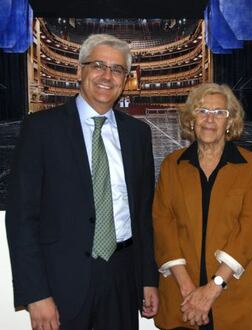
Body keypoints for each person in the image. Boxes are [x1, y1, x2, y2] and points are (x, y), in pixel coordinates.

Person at [6, 34, 159, 330]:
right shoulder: (41, 129)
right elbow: (21, 218)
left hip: (122, 278)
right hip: (60, 281)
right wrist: (35, 294)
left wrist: (148, 279)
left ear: (126, 79)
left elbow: (142, 215)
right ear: (79, 71)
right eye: (98, 65)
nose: (107, 75)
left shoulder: (137, 135)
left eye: (117, 70)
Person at [152, 83, 252, 329]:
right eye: (202, 110)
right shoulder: (171, 165)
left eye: (219, 113)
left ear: (230, 122)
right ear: (191, 119)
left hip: (236, 295)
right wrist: (188, 289)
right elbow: (164, 225)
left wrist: (213, 288)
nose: (210, 119)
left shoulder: (251, 165)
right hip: (182, 296)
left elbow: (250, 232)